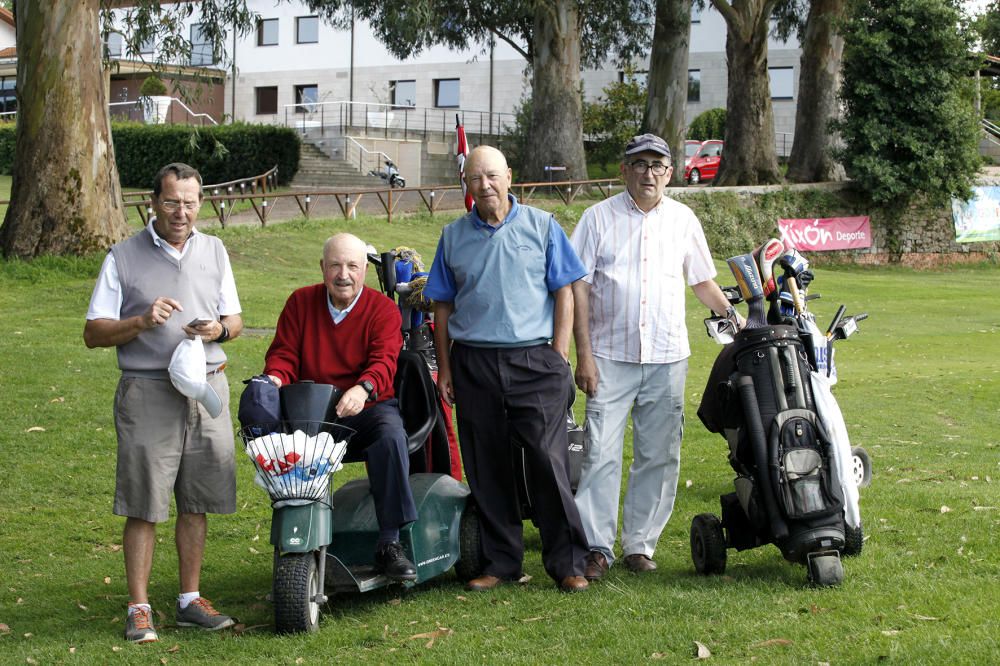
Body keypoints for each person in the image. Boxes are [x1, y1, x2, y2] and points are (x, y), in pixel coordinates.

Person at [84, 162, 244, 643]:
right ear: (153, 201)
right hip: (148, 389)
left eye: (191, 202)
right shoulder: (123, 257)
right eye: (172, 201)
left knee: (196, 501)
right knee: (145, 503)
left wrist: (218, 329)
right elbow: (93, 332)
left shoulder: (214, 250)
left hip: (207, 388)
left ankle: (189, 600)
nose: (182, 212)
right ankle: (139, 608)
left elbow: (234, 320)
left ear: (201, 203)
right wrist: (140, 321)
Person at [570, 134, 741, 580]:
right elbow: (578, 289)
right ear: (625, 170)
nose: (649, 173)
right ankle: (597, 547)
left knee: (659, 455)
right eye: (640, 164)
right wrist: (582, 355)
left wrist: (737, 319)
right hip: (608, 355)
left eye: (657, 165)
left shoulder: (683, 220)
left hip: (667, 357)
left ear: (671, 171)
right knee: (600, 453)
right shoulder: (596, 219)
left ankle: (639, 545)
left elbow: (703, 282)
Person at [423, 145, 590, 593]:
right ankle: (501, 563)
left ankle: (569, 561)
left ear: (509, 177)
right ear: (467, 185)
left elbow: (565, 292)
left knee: (547, 460)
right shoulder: (453, 236)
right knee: (486, 464)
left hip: (535, 360)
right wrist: (445, 367)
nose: (485, 185)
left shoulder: (542, 226)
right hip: (474, 361)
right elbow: (442, 305)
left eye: (492, 175)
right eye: (476, 178)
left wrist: (559, 354)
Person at [262, 232, 418, 581]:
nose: (343, 275)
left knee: (390, 437)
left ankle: (390, 542)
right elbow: (284, 354)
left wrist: (363, 388)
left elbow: (384, 360)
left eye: (352, 266)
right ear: (322, 268)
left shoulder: (382, 309)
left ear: (364, 269)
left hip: (366, 406)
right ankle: (300, 539)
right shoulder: (300, 303)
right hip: (311, 406)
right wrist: (274, 378)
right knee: (273, 440)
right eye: (335, 265)